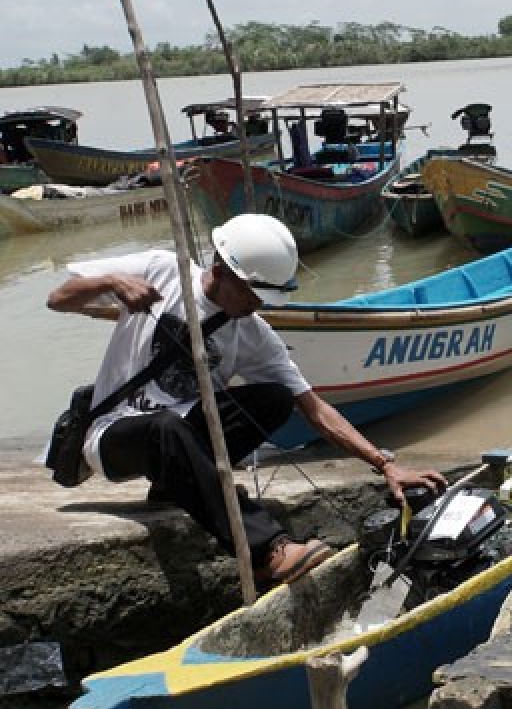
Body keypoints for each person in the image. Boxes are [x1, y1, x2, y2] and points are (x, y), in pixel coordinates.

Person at [46, 214, 446, 588]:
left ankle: (177, 485)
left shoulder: (253, 333)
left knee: (274, 398)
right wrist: (110, 283)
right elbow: (57, 299)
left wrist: (384, 463)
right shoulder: (162, 270)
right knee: (165, 428)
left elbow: (315, 409)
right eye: (252, 293)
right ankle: (266, 549)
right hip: (116, 433)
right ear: (221, 271)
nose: (258, 305)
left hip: (183, 433)